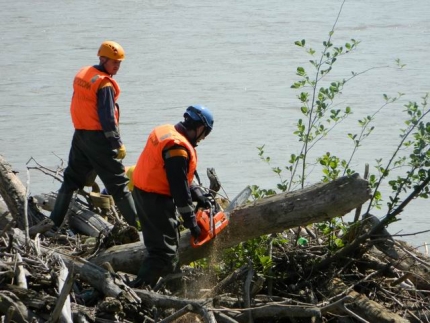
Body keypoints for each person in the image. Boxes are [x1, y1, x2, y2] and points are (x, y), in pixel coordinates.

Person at [49, 40, 137, 229]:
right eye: (114, 62)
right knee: (119, 184)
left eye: (120, 63)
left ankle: (53, 223)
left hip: (80, 135)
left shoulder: (84, 74)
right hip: (98, 139)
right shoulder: (104, 84)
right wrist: (116, 143)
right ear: (103, 59)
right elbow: (107, 118)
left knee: (71, 180)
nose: (117, 66)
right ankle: (140, 227)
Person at [131, 105, 215, 288]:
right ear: (200, 128)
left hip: (144, 192)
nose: (203, 138)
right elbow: (179, 189)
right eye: (205, 134)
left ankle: (175, 289)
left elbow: (173, 174)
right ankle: (134, 292)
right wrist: (191, 222)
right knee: (162, 253)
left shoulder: (166, 132)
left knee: (169, 245)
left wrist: (198, 193)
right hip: (154, 200)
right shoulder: (177, 148)